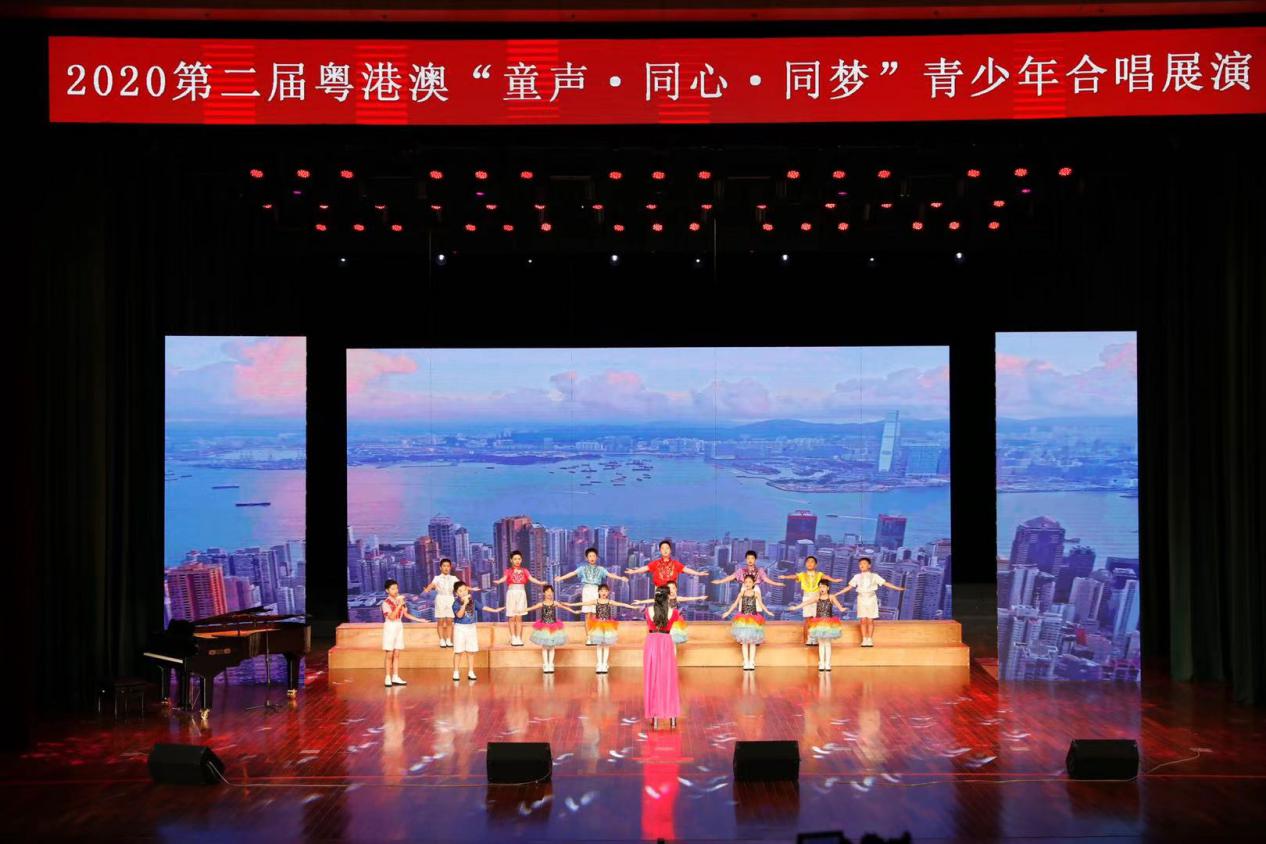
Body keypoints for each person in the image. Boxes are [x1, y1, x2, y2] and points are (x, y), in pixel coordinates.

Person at [489, 585, 581, 674]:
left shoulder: (555, 603)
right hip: (544, 627)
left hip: (553, 626)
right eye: (547, 591)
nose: (549, 593)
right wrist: (520, 611)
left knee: (552, 646)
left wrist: (574, 611)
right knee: (545, 646)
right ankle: (545, 664)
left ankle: (551, 664)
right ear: (544, 593)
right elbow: (530, 608)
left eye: (551, 592)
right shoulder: (541, 604)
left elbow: (565, 607)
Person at [555, 547, 629, 645]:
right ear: (587, 558)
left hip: (596, 591)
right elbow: (572, 573)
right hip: (586, 591)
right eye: (590, 556)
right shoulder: (582, 568)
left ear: (597, 557)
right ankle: (588, 638)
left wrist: (621, 578)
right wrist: (561, 578)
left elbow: (610, 575)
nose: (592, 558)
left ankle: (594, 637)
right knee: (587, 615)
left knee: (594, 615)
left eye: (594, 556)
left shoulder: (601, 569)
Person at [832, 556, 905, 647]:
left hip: (871, 599)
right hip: (861, 599)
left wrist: (897, 588)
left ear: (869, 565)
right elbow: (849, 587)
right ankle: (864, 639)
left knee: (870, 620)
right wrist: (837, 593)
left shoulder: (874, 576)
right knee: (863, 620)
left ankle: (869, 639)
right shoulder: (857, 577)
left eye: (864, 563)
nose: (862, 565)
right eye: (860, 564)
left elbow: (885, 583)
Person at [778, 556, 841, 646]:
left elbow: (827, 577)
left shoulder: (819, 574)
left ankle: (814, 639)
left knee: (816, 619)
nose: (810, 563)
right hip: (807, 598)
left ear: (816, 565)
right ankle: (807, 640)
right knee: (808, 619)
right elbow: (794, 576)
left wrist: (834, 580)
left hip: (817, 598)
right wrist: (785, 576)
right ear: (805, 564)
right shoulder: (802, 575)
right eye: (808, 562)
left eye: (812, 562)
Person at [491, 550, 549, 646]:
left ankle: (518, 637)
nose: (517, 561)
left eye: (519, 559)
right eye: (515, 559)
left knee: (519, 616)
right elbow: (504, 578)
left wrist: (540, 583)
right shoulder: (508, 571)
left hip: (521, 593)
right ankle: (513, 637)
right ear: (511, 560)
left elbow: (531, 578)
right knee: (511, 617)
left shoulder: (525, 570)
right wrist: (498, 581)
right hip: (511, 593)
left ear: (521, 560)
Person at [642, 585, 681, 729]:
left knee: (652, 678)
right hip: (666, 643)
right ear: (668, 596)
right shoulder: (674, 612)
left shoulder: (648, 611)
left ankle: (655, 715)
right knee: (668, 679)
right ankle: (672, 716)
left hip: (652, 643)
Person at [582, 583, 640, 674]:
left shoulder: (609, 602)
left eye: (605, 591)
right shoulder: (596, 601)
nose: (603, 592)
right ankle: (599, 664)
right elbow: (583, 603)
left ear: (608, 592)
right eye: (601, 591)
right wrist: (568, 604)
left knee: (606, 645)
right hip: (598, 626)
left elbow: (621, 604)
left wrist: (632, 607)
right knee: (599, 645)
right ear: (598, 592)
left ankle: (604, 664)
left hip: (607, 626)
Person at [790, 582, 847, 671]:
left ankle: (827, 663)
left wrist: (842, 609)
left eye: (823, 587)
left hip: (828, 623)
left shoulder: (831, 597)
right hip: (819, 623)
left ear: (827, 588)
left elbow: (839, 606)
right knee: (821, 644)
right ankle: (821, 663)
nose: (821, 589)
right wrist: (796, 607)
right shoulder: (817, 597)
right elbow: (806, 602)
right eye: (820, 587)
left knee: (827, 643)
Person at [634, 580, 705, 650]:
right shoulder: (664, 598)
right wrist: (640, 602)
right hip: (667, 621)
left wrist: (699, 598)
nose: (671, 590)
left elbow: (688, 598)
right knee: (666, 639)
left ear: (676, 589)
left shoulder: (677, 598)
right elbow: (652, 600)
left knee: (675, 640)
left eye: (673, 588)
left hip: (675, 622)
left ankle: (672, 653)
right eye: (669, 588)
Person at [382, 578, 425, 687]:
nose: (395, 590)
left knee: (397, 653)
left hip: (399, 626)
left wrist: (419, 620)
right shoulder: (385, 603)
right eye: (392, 589)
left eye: (396, 588)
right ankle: (387, 677)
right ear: (387, 590)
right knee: (389, 653)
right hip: (390, 627)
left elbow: (406, 614)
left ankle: (395, 676)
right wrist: (399, 605)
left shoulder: (400, 600)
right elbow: (391, 617)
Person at [721, 574, 769, 670]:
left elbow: (762, 604)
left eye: (750, 582)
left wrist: (768, 611)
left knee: (752, 642)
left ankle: (751, 662)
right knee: (744, 642)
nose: (748, 584)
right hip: (743, 620)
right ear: (744, 583)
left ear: (753, 583)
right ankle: (746, 662)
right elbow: (735, 604)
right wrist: (728, 612)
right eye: (746, 582)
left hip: (753, 619)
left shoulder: (756, 593)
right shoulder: (742, 593)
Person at [421, 558, 467, 649]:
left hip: (450, 598)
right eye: (444, 566)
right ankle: (442, 640)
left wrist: (471, 589)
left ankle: (449, 640)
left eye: (448, 566)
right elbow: (432, 585)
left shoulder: (454, 578)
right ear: (440, 567)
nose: (446, 568)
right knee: (441, 621)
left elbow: (461, 586)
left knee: (450, 621)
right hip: (440, 599)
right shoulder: (437, 578)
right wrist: (427, 589)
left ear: (450, 567)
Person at [450, 580, 491, 681]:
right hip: (460, 628)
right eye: (460, 591)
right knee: (458, 651)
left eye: (465, 589)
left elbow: (483, 607)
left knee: (471, 651)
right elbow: (459, 615)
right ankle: (456, 672)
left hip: (471, 627)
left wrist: (495, 610)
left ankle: (471, 671)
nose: (463, 592)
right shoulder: (456, 603)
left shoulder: (473, 601)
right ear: (456, 593)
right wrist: (464, 604)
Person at [625, 540, 710, 588]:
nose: (665, 550)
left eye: (667, 548)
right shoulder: (656, 563)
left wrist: (698, 573)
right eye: (663, 548)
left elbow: (686, 570)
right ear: (660, 551)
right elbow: (646, 568)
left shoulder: (675, 564)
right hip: (659, 593)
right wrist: (634, 571)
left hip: (671, 593)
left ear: (670, 550)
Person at [710, 550, 780, 589]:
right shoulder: (741, 570)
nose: (750, 560)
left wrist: (775, 583)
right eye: (748, 558)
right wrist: (720, 581)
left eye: (752, 558)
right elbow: (731, 577)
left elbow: (766, 579)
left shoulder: (760, 570)